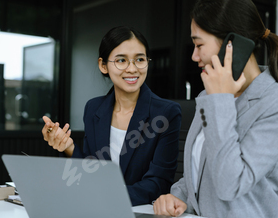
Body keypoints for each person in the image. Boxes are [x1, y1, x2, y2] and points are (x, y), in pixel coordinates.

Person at [153, 0, 278, 218]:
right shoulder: (208, 96)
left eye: (199, 45)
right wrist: (177, 196)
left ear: (233, 45)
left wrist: (220, 102)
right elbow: (200, 171)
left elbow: (229, 184)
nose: (193, 56)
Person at [42, 26, 182, 206]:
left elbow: (158, 183)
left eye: (140, 59)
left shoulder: (166, 113)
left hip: (140, 214)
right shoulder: (93, 109)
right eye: (121, 60)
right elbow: (90, 171)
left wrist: (105, 197)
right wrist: (68, 147)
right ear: (103, 65)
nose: (132, 69)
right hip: (97, 210)